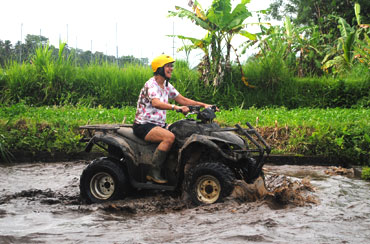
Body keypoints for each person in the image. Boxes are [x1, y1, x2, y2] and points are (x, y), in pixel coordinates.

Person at [133, 54, 212, 184]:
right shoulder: (151, 85)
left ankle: (173, 170)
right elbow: (156, 103)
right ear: (159, 69)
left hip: (159, 124)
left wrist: (204, 105)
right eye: (168, 66)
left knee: (182, 132)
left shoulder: (166, 85)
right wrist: (177, 108)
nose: (171, 69)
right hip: (144, 125)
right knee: (168, 138)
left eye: (171, 66)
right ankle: (153, 171)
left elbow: (183, 100)